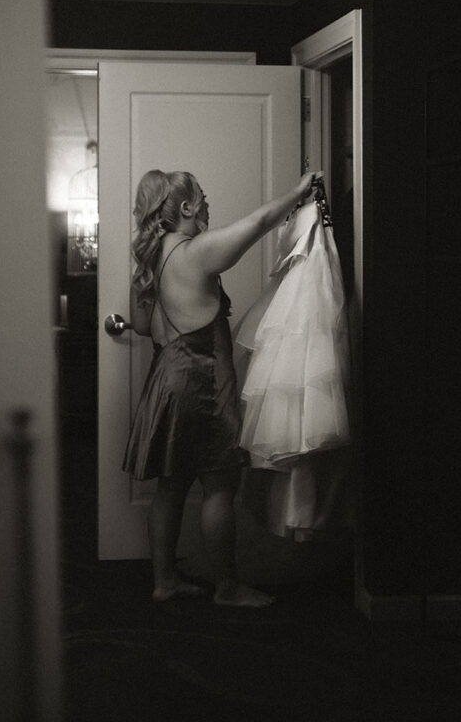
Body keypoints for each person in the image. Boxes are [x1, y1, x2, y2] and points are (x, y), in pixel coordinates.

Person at [122, 168, 316, 606]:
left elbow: (138, 325)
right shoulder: (196, 251)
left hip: (164, 377)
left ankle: (164, 582)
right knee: (219, 486)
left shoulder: (150, 260)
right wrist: (298, 191)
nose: (208, 205)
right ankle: (227, 588)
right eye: (203, 199)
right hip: (201, 379)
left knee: (171, 486)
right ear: (186, 207)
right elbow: (260, 223)